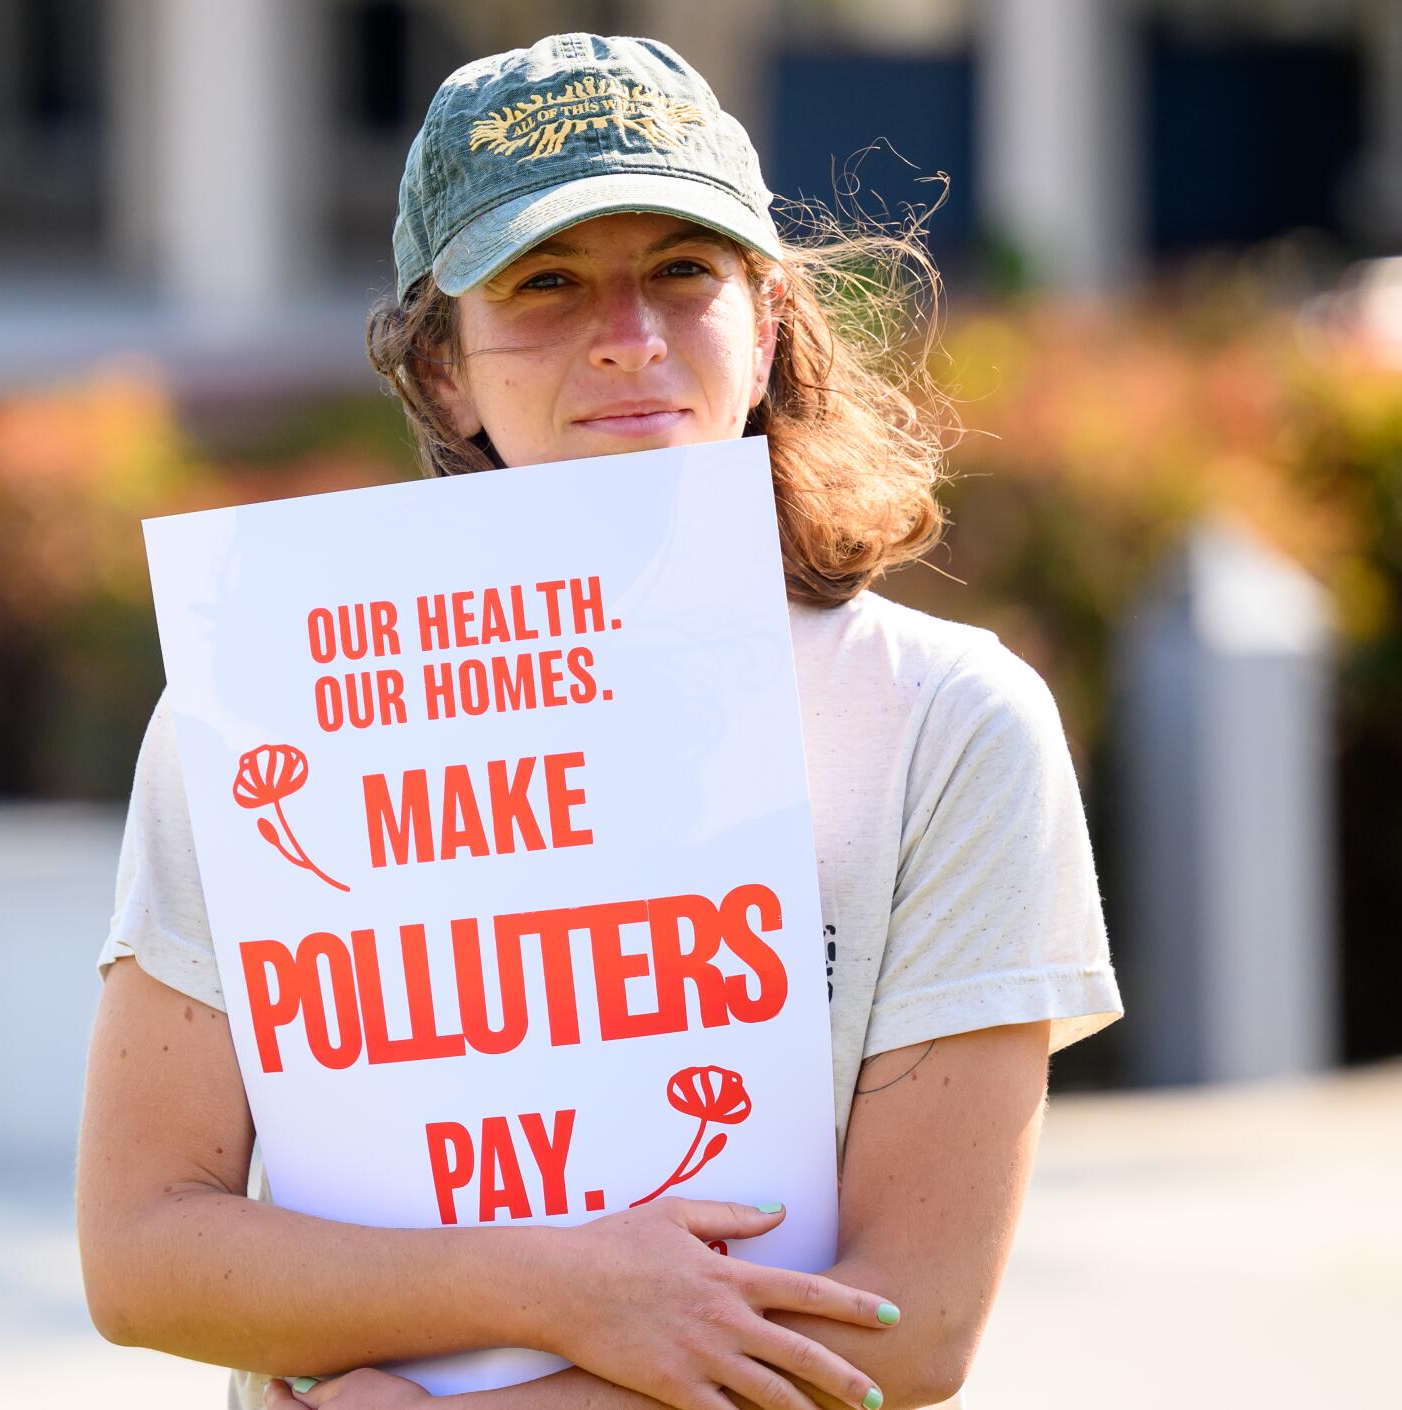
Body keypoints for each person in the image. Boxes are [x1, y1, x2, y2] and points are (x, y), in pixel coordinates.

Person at [76, 32, 1123, 1410]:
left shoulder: (951, 725)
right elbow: (142, 1250)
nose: (629, 336)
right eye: (549, 283)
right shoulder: (265, 711)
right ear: (444, 371)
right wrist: (549, 1280)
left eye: (683, 271)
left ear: (765, 326)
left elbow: (906, 1321)